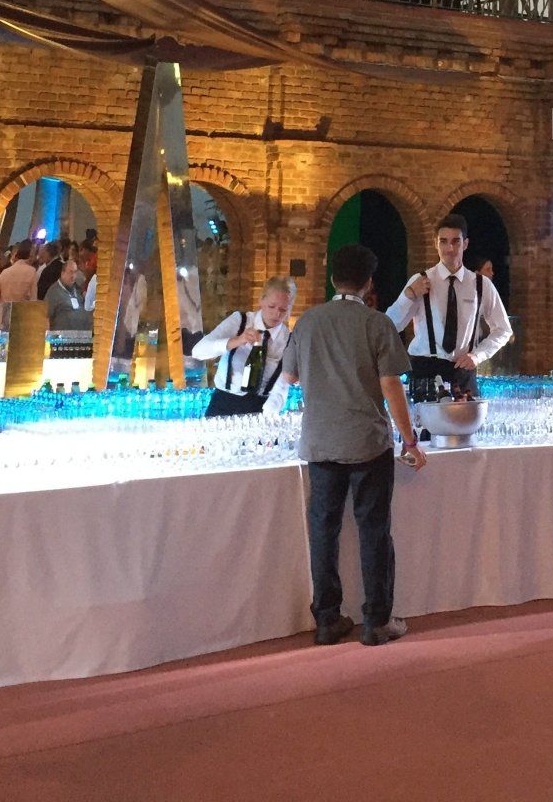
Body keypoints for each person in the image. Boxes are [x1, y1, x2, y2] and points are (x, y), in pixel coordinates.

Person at [280, 244, 425, 647]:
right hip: (367, 442)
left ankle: (327, 620)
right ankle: (376, 621)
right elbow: (391, 385)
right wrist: (409, 440)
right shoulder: (377, 324)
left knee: (323, 531)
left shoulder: (307, 322)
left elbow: (290, 377)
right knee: (374, 530)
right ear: (368, 283)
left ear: (332, 279)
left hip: (320, 440)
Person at [386, 213, 513, 395]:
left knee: (469, 415)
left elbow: (503, 330)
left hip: (463, 373)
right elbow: (390, 325)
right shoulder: (420, 280)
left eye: (456, 242)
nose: (450, 248)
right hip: (424, 371)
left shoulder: (481, 284)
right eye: (443, 241)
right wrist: (409, 295)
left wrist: (478, 355)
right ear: (435, 243)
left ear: (465, 244)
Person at [192, 277, 297, 417]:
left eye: (283, 309)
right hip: (224, 403)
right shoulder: (240, 321)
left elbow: (282, 385)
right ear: (261, 300)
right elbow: (198, 351)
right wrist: (237, 340)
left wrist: (272, 409)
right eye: (271, 306)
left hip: (260, 408)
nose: (276, 314)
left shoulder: (288, 340)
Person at [0, 241, 38, 309]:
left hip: (3, 312)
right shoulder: (32, 272)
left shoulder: (4, 272)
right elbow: (33, 299)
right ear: (29, 256)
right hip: (21, 312)